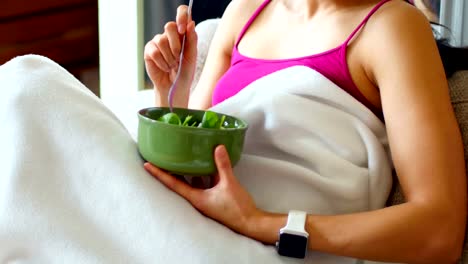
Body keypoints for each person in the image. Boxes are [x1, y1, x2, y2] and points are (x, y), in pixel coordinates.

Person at [143, 0, 467, 263]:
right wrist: (172, 90)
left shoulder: (391, 26)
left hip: (276, 249)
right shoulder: (243, 12)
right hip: (195, 228)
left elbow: (439, 229)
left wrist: (258, 222)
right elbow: (193, 160)